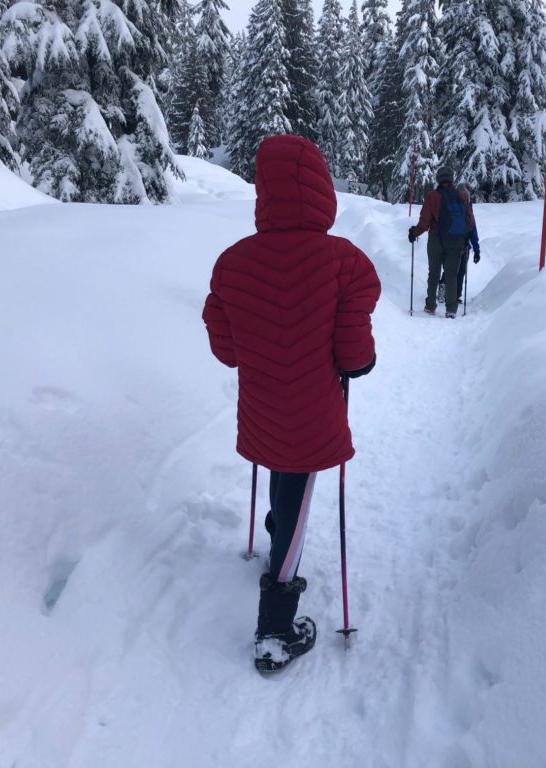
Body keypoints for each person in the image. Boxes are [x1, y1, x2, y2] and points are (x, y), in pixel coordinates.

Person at [202, 135, 381, 674]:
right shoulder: (345, 261)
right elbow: (354, 356)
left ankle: (278, 536)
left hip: (262, 405)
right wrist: (359, 363)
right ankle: (275, 632)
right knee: (300, 490)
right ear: (321, 190)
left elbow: (224, 345)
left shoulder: (232, 262)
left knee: (282, 470)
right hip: (315, 409)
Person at [408, 167, 478, 318]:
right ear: (452, 179)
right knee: (452, 275)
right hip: (457, 241)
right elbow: (470, 220)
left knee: (434, 273)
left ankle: (430, 306)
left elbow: (425, 221)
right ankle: (451, 310)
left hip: (436, 239)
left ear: (438, 179)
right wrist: (468, 240)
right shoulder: (463, 196)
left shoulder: (432, 196)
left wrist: (414, 233)